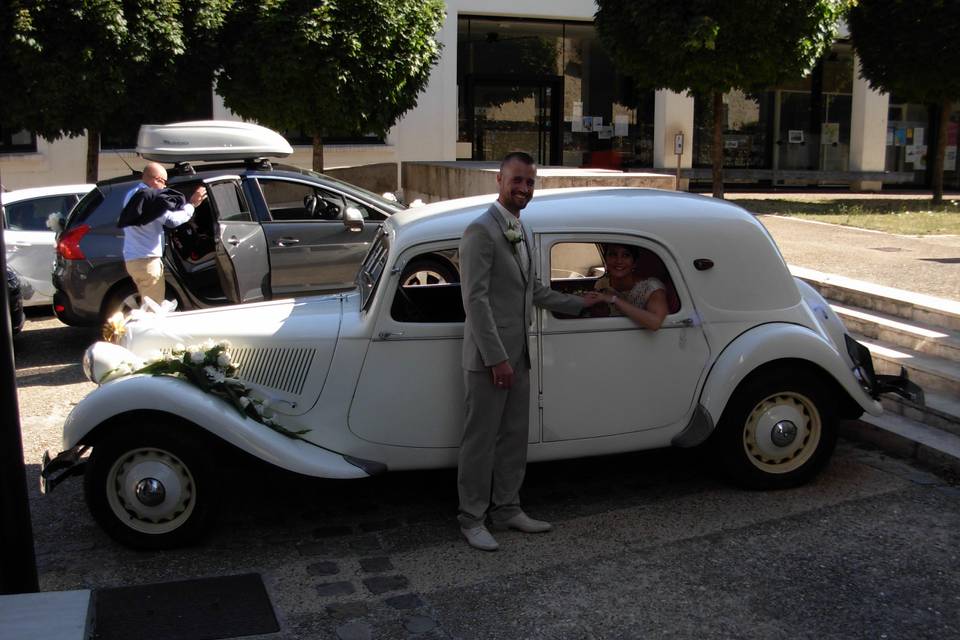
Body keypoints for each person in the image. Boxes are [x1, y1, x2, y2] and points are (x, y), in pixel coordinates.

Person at [457, 151, 603, 551]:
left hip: (518, 356)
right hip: (489, 360)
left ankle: (507, 509)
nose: (524, 188)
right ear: (500, 181)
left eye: (530, 182)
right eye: (517, 180)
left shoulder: (522, 229)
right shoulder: (480, 232)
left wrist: (580, 304)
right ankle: (472, 517)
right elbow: (476, 302)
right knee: (480, 441)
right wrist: (496, 359)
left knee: (514, 438)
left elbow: (532, 291)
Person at [118, 162, 207, 306]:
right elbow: (171, 221)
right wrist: (192, 204)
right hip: (147, 261)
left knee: (147, 305)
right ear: (157, 179)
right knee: (154, 309)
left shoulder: (132, 194)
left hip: (134, 259)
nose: (165, 187)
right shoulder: (151, 197)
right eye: (164, 183)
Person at [593, 243, 669, 331]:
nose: (619, 261)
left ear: (634, 263)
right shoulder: (602, 283)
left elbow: (655, 323)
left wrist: (614, 300)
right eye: (613, 254)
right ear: (606, 260)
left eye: (626, 255)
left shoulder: (651, 287)